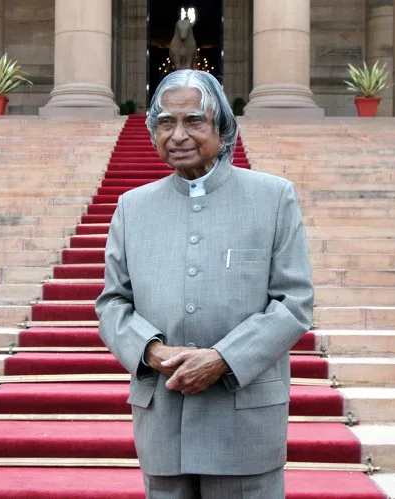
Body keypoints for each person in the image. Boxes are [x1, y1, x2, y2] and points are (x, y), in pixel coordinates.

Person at [95, 69, 314, 498]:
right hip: (163, 417)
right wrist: (151, 351)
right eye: (165, 122)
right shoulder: (132, 207)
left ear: (222, 127)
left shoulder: (273, 198)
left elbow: (294, 301)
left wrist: (223, 358)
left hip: (243, 417)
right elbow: (112, 303)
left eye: (194, 121)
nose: (178, 135)